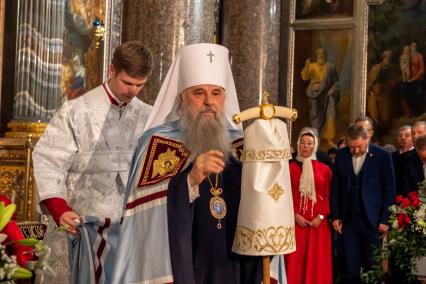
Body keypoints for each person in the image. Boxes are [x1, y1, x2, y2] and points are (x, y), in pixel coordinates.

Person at [112, 43, 270, 284]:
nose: (209, 101)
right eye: (198, 93)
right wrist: (189, 181)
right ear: (181, 99)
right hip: (184, 269)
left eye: (216, 93)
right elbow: (145, 225)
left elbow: (263, 214)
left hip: (233, 267)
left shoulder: (242, 146)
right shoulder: (157, 143)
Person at [32, 41, 153, 284]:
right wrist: (59, 208)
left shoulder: (149, 116)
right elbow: (48, 159)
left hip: (129, 230)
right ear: (111, 71)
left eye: (139, 85)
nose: (132, 91)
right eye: (127, 83)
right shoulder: (76, 111)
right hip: (80, 224)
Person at [330, 124, 395, 283]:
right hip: (348, 221)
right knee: (349, 267)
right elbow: (336, 188)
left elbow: (389, 189)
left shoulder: (382, 156)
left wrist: (385, 219)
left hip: (372, 222)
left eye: (358, 146)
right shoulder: (342, 155)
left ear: (368, 139)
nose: (355, 150)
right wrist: (336, 216)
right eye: (351, 147)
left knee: (372, 266)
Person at [285, 127, 333, 284]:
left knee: (317, 262)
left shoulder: (324, 170)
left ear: (315, 146)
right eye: (303, 143)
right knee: (295, 262)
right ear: (298, 145)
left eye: (309, 143)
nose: (305, 146)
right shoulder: (288, 168)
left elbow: (328, 195)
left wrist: (320, 216)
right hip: (295, 224)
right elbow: (283, 196)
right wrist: (294, 214)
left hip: (317, 225)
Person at [301, 47, 340, 145]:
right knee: (315, 115)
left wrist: (332, 89)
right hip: (314, 94)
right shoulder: (312, 66)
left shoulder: (330, 67)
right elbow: (305, 77)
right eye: (318, 54)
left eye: (322, 54)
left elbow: (336, 83)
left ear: (325, 55)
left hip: (327, 94)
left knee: (329, 115)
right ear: (316, 55)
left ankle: (329, 139)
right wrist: (306, 67)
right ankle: (315, 136)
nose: (320, 56)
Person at [392, 125, 413, 195]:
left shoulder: (417, 156)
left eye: (407, 135)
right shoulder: (391, 157)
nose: (403, 138)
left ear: (413, 138)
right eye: (400, 136)